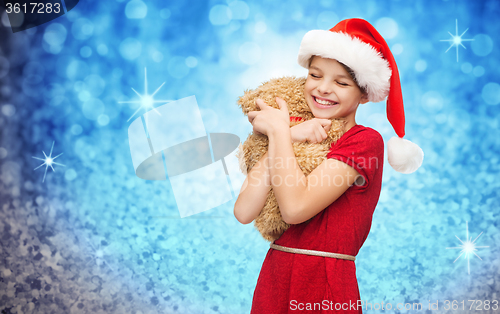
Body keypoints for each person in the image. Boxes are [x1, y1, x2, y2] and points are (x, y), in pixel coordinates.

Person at [234, 18, 423, 313]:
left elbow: (295, 209)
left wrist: (279, 132)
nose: (322, 89)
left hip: (324, 284)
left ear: (363, 93)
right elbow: (244, 212)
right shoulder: (295, 134)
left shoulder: (364, 141)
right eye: (314, 74)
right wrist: (289, 133)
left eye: (341, 82)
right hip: (275, 276)